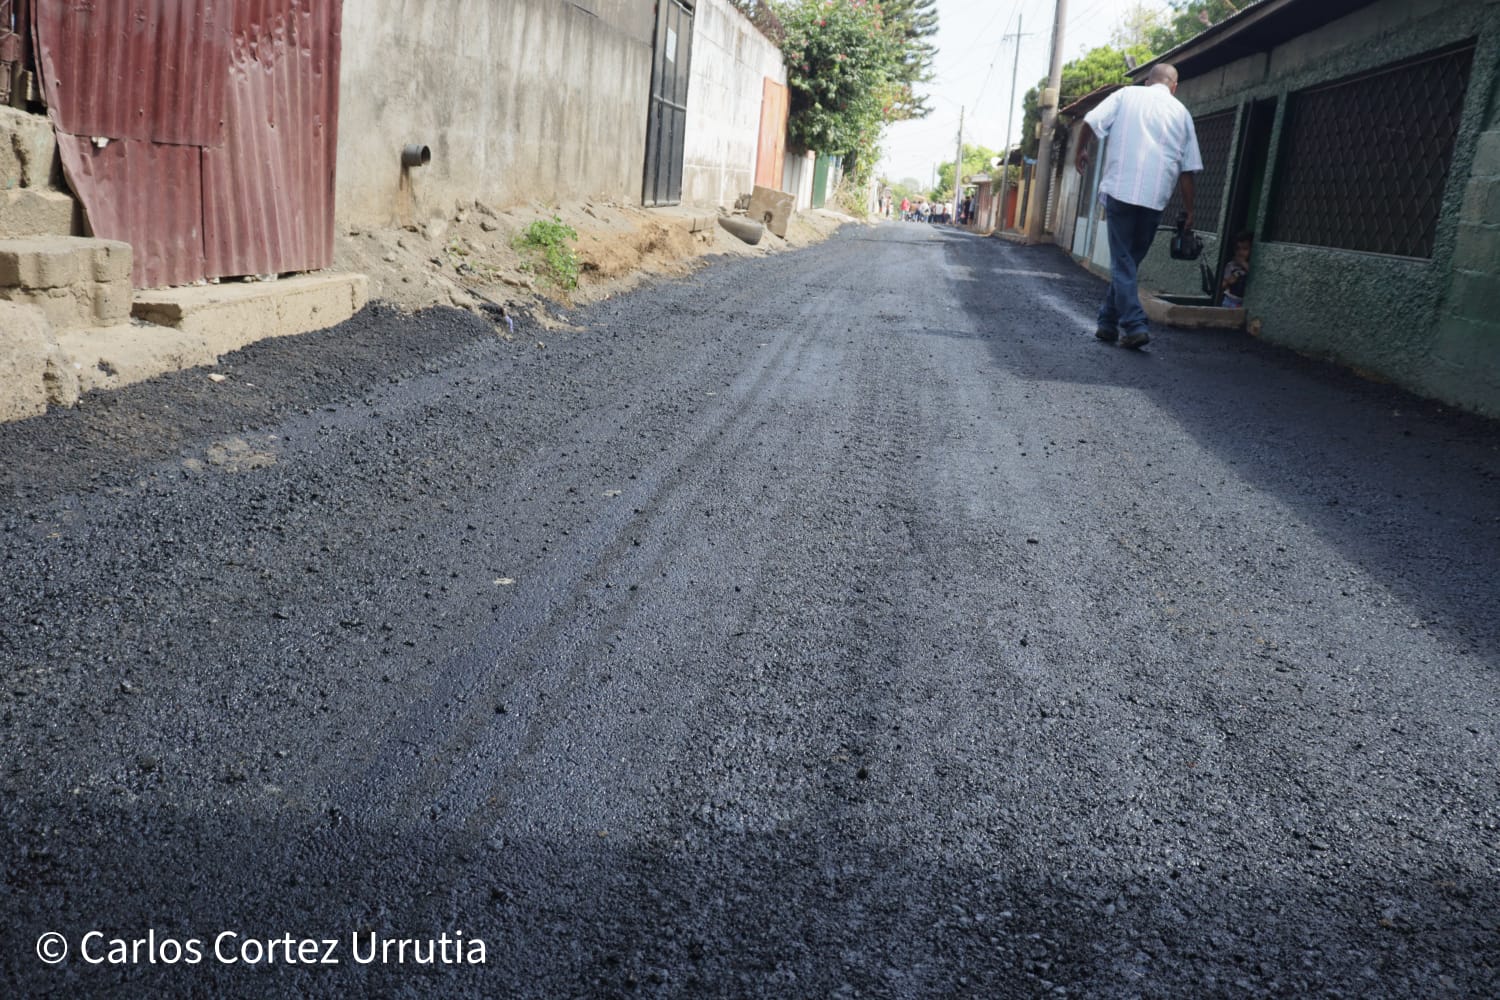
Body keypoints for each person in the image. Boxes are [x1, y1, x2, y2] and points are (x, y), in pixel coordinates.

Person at [1074, 63, 1202, 349]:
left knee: (1123, 263)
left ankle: (1130, 324)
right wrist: (1190, 210)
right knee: (1127, 262)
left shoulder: (1127, 95)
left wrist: (1081, 149)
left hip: (1121, 191)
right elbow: (1188, 170)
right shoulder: (1182, 114)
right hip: (1155, 199)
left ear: (1147, 81)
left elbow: (1090, 121)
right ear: (1174, 87)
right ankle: (1108, 323)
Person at [1219, 231, 1252, 308]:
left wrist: (1243, 263)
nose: (1240, 252)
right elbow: (1222, 285)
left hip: (1242, 303)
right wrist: (1228, 281)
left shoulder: (1250, 265)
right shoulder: (1231, 265)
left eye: (1245, 249)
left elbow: (1253, 274)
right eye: (1238, 249)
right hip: (1229, 300)